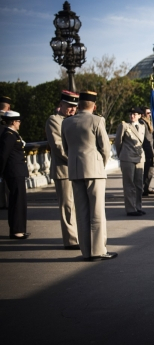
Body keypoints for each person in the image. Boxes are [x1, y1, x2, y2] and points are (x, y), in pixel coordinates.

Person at [62, 91, 117, 261]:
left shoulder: (66, 122)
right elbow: (105, 148)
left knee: (82, 211)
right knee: (97, 212)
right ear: (94, 106)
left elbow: (65, 148)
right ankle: (98, 250)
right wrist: (101, 163)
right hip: (94, 170)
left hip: (75, 170)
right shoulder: (97, 120)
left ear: (78, 105)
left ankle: (86, 251)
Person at [45, 90, 79, 248]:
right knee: (67, 206)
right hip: (64, 170)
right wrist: (77, 159)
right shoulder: (54, 120)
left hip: (77, 168)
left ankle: (80, 236)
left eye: (75, 106)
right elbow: (58, 146)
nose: (72, 109)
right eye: (69, 106)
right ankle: (71, 240)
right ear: (61, 105)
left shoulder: (74, 120)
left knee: (78, 205)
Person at [0, 111, 30, 239]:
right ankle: (17, 231)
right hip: (14, 172)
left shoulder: (12, 134)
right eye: (18, 121)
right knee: (17, 202)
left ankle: (18, 229)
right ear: (13, 122)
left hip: (16, 172)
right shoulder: (9, 135)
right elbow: (3, 156)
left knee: (18, 201)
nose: (19, 124)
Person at [115, 107, 146, 216]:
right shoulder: (124, 126)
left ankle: (138, 206)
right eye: (131, 114)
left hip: (140, 157)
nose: (132, 116)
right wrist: (121, 155)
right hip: (127, 157)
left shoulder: (142, 126)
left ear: (139, 116)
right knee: (129, 184)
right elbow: (117, 142)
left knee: (139, 184)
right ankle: (130, 208)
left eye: (135, 114)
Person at [140, 106, 154, 196]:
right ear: (142, 114)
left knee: (150, 171)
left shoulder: (148, 122)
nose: (150, 115)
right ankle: (144, 188)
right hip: (145, 150)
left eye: (150, 113)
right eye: (148, 113)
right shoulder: (142, 122)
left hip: (150, 150)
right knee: (146, 171)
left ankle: (147, 187)